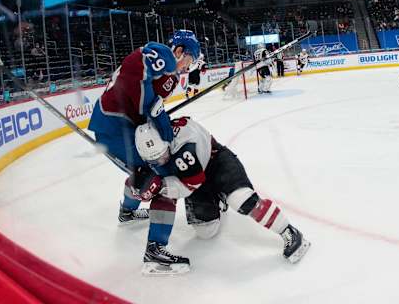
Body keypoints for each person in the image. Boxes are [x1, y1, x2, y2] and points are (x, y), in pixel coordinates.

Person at [130, 117, 311, 275]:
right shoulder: (158, 139)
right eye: (154, 160)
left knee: (242, 200)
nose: (160, 162)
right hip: (194, 178)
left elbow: (189, 185)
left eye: (162, 156)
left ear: (167, 142)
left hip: (217, 164)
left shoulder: (186, 146)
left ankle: (288, 231)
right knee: (206, 232)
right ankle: (219, 199)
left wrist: (161, 186)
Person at [88, 30, 200, 225]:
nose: (188, 67)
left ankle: (127, 212)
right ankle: (157, 238)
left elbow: (149, 103)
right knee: (156, 172)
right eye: (189, 60)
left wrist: (156, 114)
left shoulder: (171, 75)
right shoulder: (165, 57)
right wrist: (155, 113)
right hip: (112, 126)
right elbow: (140, 61)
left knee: (145, 171)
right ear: (180, 51)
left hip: (124, 125)